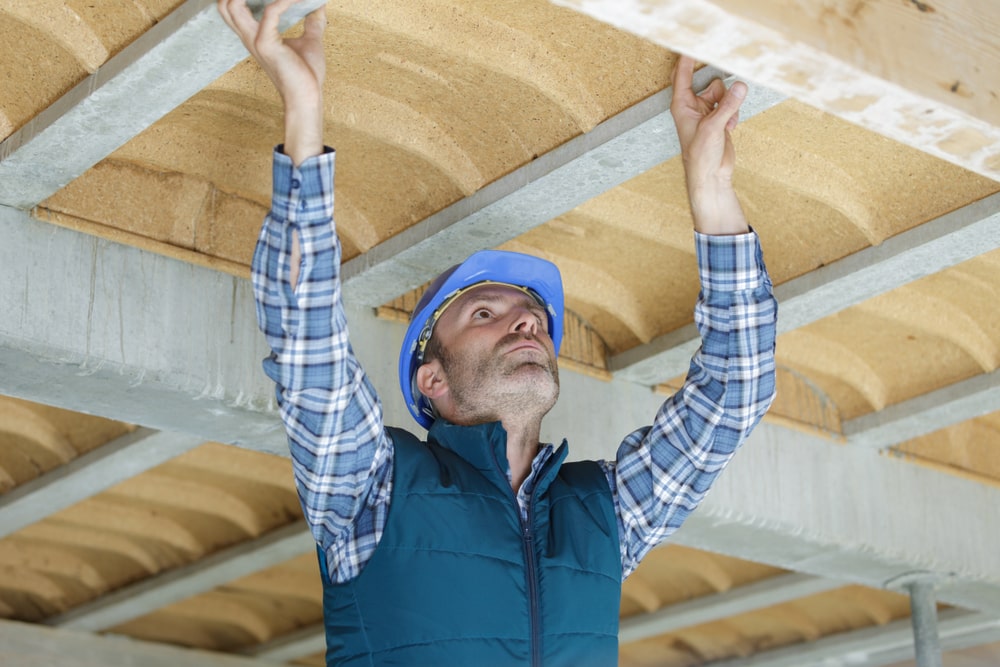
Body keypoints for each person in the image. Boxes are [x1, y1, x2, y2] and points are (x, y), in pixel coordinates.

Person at [219, 0, 777, 665]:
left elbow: (735, 393)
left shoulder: (603, 514)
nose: (527, 320)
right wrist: (302, 116)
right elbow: (305, 337)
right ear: (433, 378)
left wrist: (712, 186)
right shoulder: (374, 488)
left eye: (532, 317)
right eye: (486, 313)